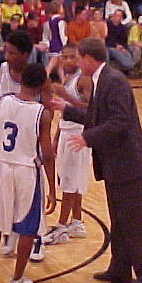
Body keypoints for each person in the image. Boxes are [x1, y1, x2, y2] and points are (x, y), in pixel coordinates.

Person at [50, 37, 142, 283]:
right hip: (115, 162)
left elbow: (120, 121)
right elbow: (97, 116)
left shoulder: (114, 81)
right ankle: (120, 269)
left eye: (79, 58)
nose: (77, 63)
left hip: (128, 162)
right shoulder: (102, 80)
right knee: (119, 218)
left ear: (90, 59)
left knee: (134, 220)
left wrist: (87, 138)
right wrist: (66, 109)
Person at [0, 63, 56, 283]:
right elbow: (47, 154)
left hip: (1, 167)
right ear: (42, 85)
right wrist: (52, 188)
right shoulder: (42, 113)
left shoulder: (2, 102)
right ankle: (17, 281)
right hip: (26, 171)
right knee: (28, 228)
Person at [43, 45, 91, 245]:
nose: (69, 61)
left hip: (78, 135)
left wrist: (66, 96)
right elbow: (65, 113)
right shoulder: (69, 78)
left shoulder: (84, 80)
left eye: (73, 57)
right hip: (66, 132)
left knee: (70, 182)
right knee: (73, 180)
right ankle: (77, 222)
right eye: (65, 57)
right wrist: (56, 136)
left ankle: (61, 227)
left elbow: (91, 110)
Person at [0, 31, 32, 110]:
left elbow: (47, 108)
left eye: (12, 53)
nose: (6, 56)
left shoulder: (37, 76)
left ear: (25, 54)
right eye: (6, 52)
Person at [42, 1, 67, 82]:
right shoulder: (61, 21)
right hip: (59, 46)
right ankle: (43, 79)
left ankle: (63, 82)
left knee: (60, 67)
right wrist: (64, 46)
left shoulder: (49, 22)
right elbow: (62, 35)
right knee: (50, 66)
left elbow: (48, 35)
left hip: (53, 44)